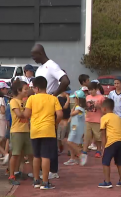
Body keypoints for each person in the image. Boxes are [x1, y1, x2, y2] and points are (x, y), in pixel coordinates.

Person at [31, 44, 70, 179]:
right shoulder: (40, 69)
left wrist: (53, 95)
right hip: (39, 106)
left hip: (49, 106)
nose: (33, 58)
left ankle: (53, 170)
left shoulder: (52, 65)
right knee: (40, 140)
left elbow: (65, 80)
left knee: (50, 139)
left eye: (34, 55)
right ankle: (42, 170)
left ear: (40, 53)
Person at [23, 76, 62, 189]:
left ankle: (36, 180)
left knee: (36, 156)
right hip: (48, 130)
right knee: (46, 156)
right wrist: (55, 123)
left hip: (35, 130)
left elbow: (26, 115)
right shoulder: (53, 98)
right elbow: (59, 114)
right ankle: (45, 182)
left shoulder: (31, 99)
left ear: (36, 88)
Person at [8, 79, 33, 185]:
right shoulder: (14, 101)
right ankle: (11, 175)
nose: (27, 91)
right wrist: (27, 113)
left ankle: (30, 173)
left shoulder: (25, 101)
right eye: (25, 89)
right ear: (18, 90)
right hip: (17, 131)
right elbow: (19, 114)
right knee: (16, 154)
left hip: (26, 130)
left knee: (29, 153)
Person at [98, 99, 121, 188]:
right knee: (120, 163)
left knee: (105, 161)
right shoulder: (118, 117)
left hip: (111, 142)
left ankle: (107, 182)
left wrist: (104, 148)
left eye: (101, 109)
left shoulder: (104, 118)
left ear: (105, 109)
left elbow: (103, 134)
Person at [80, 82, 106, 165]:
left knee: (98, 137)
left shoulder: (101, 98)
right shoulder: (87, 97)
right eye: (89, 90)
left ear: (96, 89)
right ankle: (84, 152)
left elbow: (105, 110)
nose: (91, 92)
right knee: (87, 137)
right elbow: (85, 107)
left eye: (92, 90)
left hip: (97, 120)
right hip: (88, 119)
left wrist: (98, 106)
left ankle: (99, 150)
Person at [64, 90, 86, 165]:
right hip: (74, 128)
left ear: (78, 99)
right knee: (71, 143)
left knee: (69, 142)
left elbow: (72, 114)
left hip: (76, 129)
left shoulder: (80, 108)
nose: (74, 100)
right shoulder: (77, 107)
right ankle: (73, 158)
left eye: (75, 98)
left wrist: (74, 106)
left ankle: (80, 154)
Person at [0, 82, 10, 159]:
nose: (7, 90)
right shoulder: (0, 99)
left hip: (3, 119)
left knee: (2, 137)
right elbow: (2, 111)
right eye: (6, 89)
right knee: (2, 137)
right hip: (2, 120)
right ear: (2, 89)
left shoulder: (2, 98)